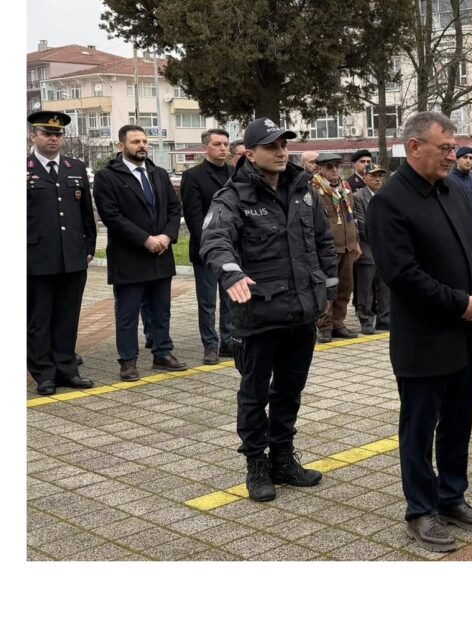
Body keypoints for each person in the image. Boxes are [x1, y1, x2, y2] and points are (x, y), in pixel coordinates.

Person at [361, 111, 472, 552]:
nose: (452, 155)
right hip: (424, 340)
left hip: (465, 335)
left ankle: (451, 495)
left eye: (453, 147)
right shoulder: (390, 201)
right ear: (413, 147)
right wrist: (461, 303)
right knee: (420, 429)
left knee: (458, 423)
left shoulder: (454, 190)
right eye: (444, 148)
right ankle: (420, 510)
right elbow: (402, 274)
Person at [197, 118, 334, 505]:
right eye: (271, 145)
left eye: (284, 144)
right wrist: (232, 273)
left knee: (290, 390)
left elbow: (323, 240)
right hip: (256, 316)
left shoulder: (303, 190)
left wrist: (325, 287)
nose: (280, 151)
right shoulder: (232, 196)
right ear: (249, 153)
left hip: (301, 314)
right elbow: (214, 240)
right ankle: (256, 464)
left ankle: (283, 458)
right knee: (255, 394)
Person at [93, 122, 185, 382]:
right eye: (136, 142)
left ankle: (162, 353)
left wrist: (167, 236)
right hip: (130, 256)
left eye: (145, 141)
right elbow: (111, 216)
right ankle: (128, 361)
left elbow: (173, 208)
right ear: (121, 146)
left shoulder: (158, 173)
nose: (142, 146)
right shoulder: (107, 176)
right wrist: (145, 239)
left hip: (160, 254)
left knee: (161, 309)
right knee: (127, 312)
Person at [27, 109, 98, 397]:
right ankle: (43, 373)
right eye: (47, 133)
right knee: (39, 319)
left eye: (58, 134)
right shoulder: (24, 169)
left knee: (68, 318)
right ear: (33, 136)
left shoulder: (75, 168)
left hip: (72, 257)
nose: (53, 139)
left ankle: (67, 369)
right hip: (35, 258)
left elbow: (86, 214)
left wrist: (89, 247)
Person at [180, 126, 237, 364]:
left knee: (231, 298)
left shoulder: (235, 173)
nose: (223, 148)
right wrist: (211, 245)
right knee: (207, 301)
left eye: (225, 144)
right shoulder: (193, 176)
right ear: (205, 148)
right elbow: (195, 217)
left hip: (233, 249)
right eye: (217, 144)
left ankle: (228, 341)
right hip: (207, 250)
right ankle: (210, 345)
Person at [312, 154, 361, 341]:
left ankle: (338, 323)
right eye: (329, 167)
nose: (334, 170)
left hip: (347, 245)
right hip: (327, 248)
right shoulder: (314, 189)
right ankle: (324, 326)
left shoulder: (345, 188)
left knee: (345, 287)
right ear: (320, 169)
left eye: (337, 166)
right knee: (328, 288)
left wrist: (355, 242)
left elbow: (352, 216)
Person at [349, 153, 388, 333]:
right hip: (367, 248)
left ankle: (384, 318)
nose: (378, 179)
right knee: (365, 289)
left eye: (380, 176)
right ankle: (365, 319)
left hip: (385, 250)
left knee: (384, 287)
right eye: (374, 176)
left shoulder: (387, 196)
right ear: (365, 177)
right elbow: (362, 225)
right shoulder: (358, 197)